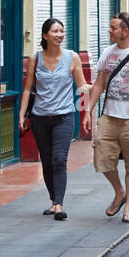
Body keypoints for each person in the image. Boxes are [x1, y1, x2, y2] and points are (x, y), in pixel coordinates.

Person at [83, 11, 129, 223]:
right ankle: (119, 191)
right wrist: (89, 109)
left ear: (126, 31)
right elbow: (99, 84)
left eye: (113, 27)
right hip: (109, 117)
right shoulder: (108, 52)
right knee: (102, 158)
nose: (110, 30)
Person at [20, 18, 91, 220]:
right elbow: (27, 89)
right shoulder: (36, 58)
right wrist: (21, 114)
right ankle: (53, 201)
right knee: (47, 161)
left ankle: (59, 205)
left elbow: (82, 87)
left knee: (59, 159)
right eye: (55, 31)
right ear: (45, 35)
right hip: (40, 118)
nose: (59, 34)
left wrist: (86, 111)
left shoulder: (72, 57)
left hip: (64, 117)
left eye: (61, 31)